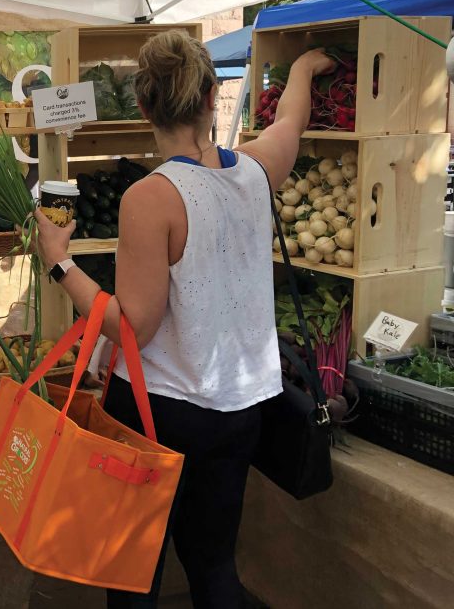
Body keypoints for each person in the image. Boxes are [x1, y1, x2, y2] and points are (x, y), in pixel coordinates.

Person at [34, 30, 334, 609]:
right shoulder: (256, 171)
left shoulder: (150, 197)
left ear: (145, 106)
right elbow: (289, 124)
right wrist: (301, 69)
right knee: (214, 568)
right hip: (241, 409)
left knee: (132, 573)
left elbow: (131, 328)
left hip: (159, 414)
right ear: (211, 96)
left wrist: (59, 261)